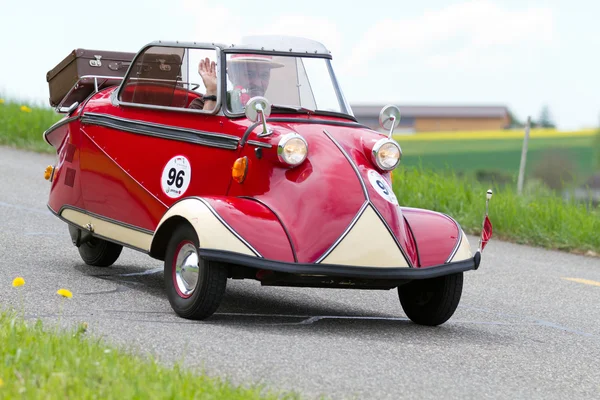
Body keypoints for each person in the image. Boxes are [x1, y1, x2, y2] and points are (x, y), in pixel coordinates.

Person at [188, 54, 283, 112]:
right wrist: (212, 93)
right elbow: (198, 139)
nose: (258, 83)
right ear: (231, 76)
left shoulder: (275, 112)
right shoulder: (200, 105)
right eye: (249, 74)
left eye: (264, 75)